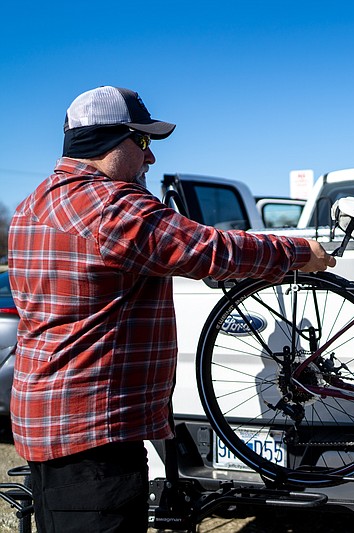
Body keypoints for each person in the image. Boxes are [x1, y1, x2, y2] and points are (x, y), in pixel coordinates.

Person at [7, 86, 335, 532]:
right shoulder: (112, 207)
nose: (151, 158)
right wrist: (298, 252)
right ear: (106, 141)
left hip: (47, 419)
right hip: (95, 434)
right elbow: (209, 250)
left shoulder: (33, 204)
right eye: (142, 143)